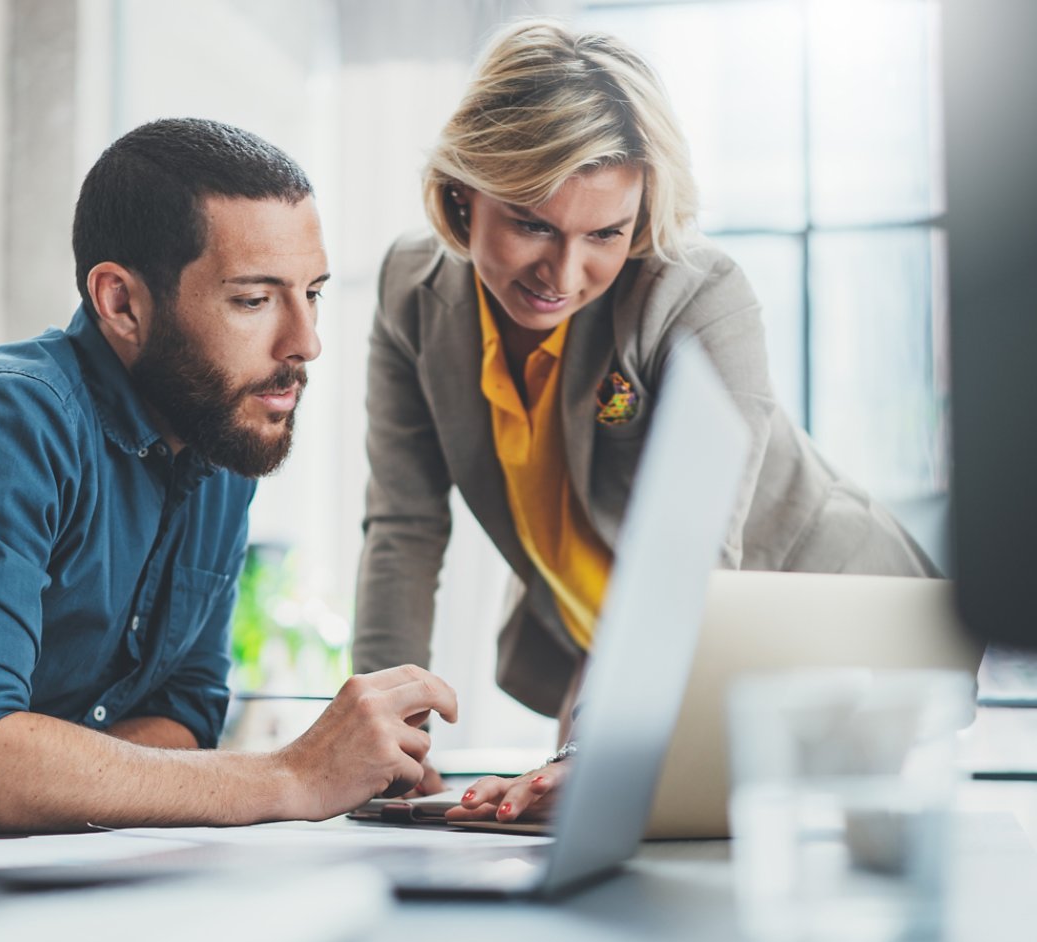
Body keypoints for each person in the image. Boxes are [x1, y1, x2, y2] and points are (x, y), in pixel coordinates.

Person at [0, 118, 455, 847]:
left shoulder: (219, 439)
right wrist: (289, 776)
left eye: (313, 292)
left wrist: (14, 779)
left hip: (4, 868)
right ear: (121, 302)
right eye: (254, 300)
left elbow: (181, 715)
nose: (306, 342)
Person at [349, 21, 933, 825]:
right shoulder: (410, 293)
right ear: (462, 192)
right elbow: (403, 529)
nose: (563, 272)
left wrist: (594, 747)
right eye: (531, 224)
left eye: (606, 234)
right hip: (620, 654)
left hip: (831, 637)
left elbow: (691, 569)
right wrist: (382, 743)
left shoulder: (695, 297)